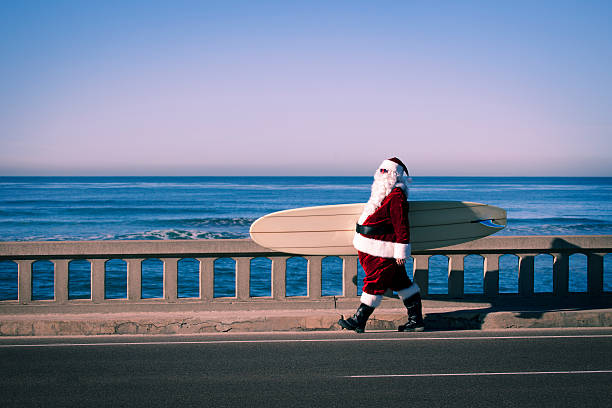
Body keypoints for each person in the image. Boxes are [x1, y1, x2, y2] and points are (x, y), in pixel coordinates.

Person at [338, 157, 424, 333]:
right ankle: (416, 321)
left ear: (395, 175)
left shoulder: (397, 196)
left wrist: (401, 251)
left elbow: (401, 224)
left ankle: (358, 320)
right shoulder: (385, 194)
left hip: (382, 249)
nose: (382, 175)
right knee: (401, 283)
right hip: (373, 246)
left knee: (374, 280)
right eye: (381, 171)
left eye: (386, 172)